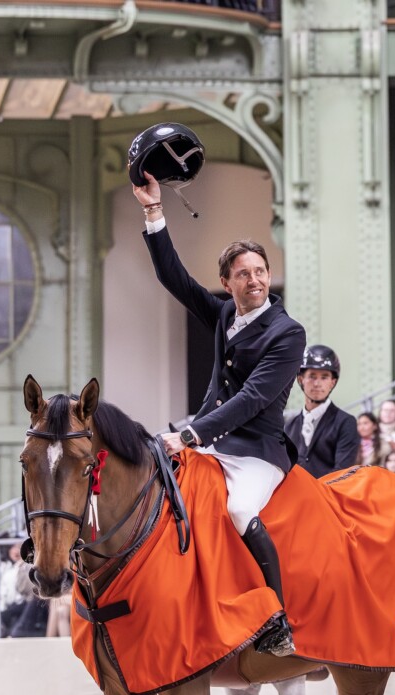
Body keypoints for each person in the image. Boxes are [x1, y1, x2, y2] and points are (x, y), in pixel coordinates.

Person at [137, 171, 303, 656]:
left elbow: (251, 398)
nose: (255, 280)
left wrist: (190, 435)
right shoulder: (226, 314)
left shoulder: (288, 333)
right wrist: (153, 211)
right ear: (227, 283)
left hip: (257, 452)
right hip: (214, 442)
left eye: (261, 271)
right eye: (243, 274)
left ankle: (278, 617)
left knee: (238, 510)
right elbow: (174, 279)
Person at [284, 344, 360, 478]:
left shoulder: (346, 422)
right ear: (301, 379)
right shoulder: (290, 425)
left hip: (329, 490)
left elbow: (342, 471)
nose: (317, 384)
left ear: (332, 382)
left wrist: (314, 488)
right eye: (312, 376)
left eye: (324, 377)